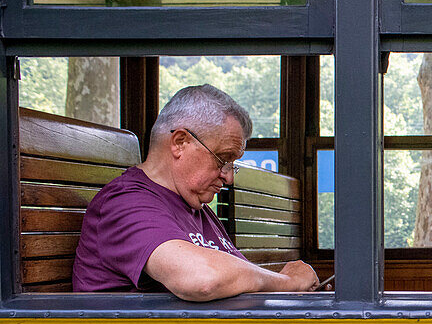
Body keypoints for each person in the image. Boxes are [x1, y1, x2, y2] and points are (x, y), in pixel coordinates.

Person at [73, 84, 320, 300]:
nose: (229, 176)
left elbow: (234, 278)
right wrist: (287, 283)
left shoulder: (195, 207)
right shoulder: (124, 203)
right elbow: (202, 279)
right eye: (222, 159)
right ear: (180, 142)